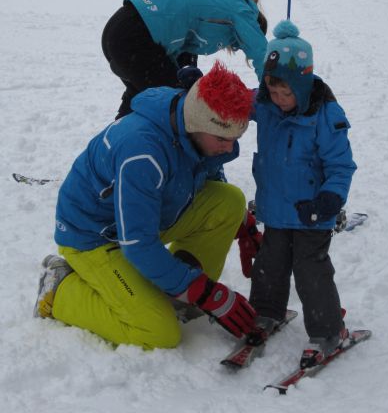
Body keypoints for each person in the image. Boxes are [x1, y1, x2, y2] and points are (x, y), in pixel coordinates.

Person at [33, 61, 259, 350]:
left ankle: (173, 291)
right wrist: (205, 293)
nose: (229, 148)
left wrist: (243, 223)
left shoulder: (191, 123)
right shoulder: (142, 151)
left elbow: (206, 174)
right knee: (157, 332)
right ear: (198, 124)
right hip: (95, 236)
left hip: (146, 215)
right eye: (222, 139)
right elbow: (137, 243)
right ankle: (60, 288)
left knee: (230, 202)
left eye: (235, 139)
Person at [244, 20, 357, 368]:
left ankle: (328, 332)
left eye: (286, 93)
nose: (279, 101)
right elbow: (233, 103)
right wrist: (207, 91)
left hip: (312, 213)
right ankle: (266, 313)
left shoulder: (326, 115)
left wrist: (328, 200)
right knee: (269, 264)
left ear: (303, 84)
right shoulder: (264, 104)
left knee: (311, 271)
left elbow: (341, 166)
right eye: (273, 91)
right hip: (276, 209)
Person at [102, 0, 268, 119]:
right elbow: (262, 54)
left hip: (119, 27)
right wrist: (271, 89)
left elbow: (181, 57)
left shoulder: (218, 4)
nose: (232, 47)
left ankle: (112, 145)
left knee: (144, 96)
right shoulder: (243, 11)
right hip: (137, 34)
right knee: (176, 106)